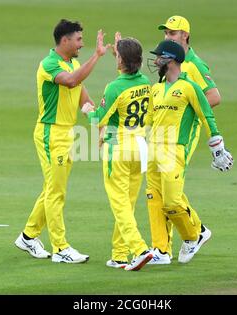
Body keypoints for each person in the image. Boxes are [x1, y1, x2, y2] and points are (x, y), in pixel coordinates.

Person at [14, 19, 111, 263]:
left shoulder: (74, 64)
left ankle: (28, 236)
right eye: (78, 39)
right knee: (56, 192)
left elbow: (84, 102)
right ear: (64, 40)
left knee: (52, 188)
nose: (82, 43)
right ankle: (61, 248)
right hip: (50, 134)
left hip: (68, 134)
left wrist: (99, 120)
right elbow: (70, 81)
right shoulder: (49, 64)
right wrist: (97, 57)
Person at [146, 40, 233, 264]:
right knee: (154, 199)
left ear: (172, 60)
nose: (155, 61)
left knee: (172, 202)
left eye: (159, 57)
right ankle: (160, 251)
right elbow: (148, 121)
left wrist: (217, 147)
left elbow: (206, 115)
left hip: (174, 150)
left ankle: (193, 235)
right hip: (153, 151)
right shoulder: (155, 89)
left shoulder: (189, 87)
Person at [88, 37, 153, 271]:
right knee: (128, 204)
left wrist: (88, 111)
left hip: (118, 146)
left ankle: (139, 249)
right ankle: (119, 254)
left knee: (120, 205)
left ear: (121, 60)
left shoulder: (114, 87)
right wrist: (122, 49)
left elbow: (99, 119)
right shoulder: (146, 82)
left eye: (117, 55)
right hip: (140, 147)